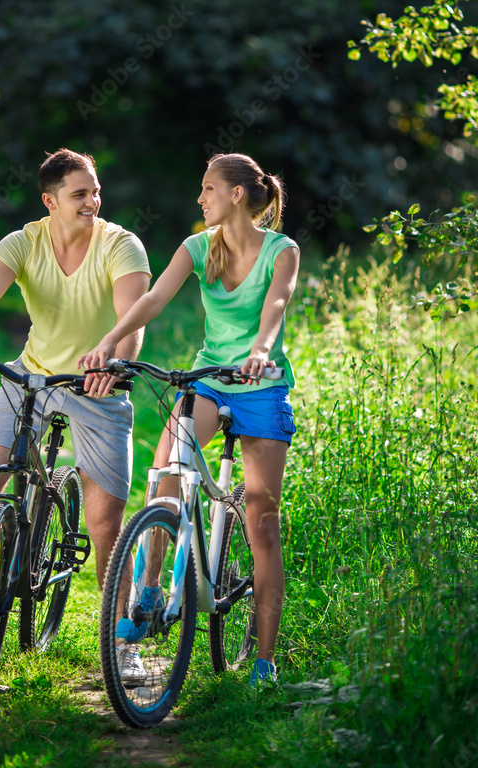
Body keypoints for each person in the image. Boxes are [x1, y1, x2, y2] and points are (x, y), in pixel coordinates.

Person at [80, 152, 300, 687]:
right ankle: (149, 589)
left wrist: (261, 350)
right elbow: (154, 298)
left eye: (208, 188)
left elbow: (277, 304)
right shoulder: (198, 247)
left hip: (260, 383)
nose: (200, 198)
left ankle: (264, 662)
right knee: (166, 479)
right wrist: (110, 341)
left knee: (262, 520)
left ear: (237, 194)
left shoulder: (282, 250)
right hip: (207, 377)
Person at [0, 148, 151, 646]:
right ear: (50, 201)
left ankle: (123, 645)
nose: (93, 200)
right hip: (31, 375)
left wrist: (113, 360)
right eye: (79, 194)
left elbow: (131, 319)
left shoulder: (121, 245)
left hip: (98, 385)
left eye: (95, 190)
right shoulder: (23, 242)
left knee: (104, 523)